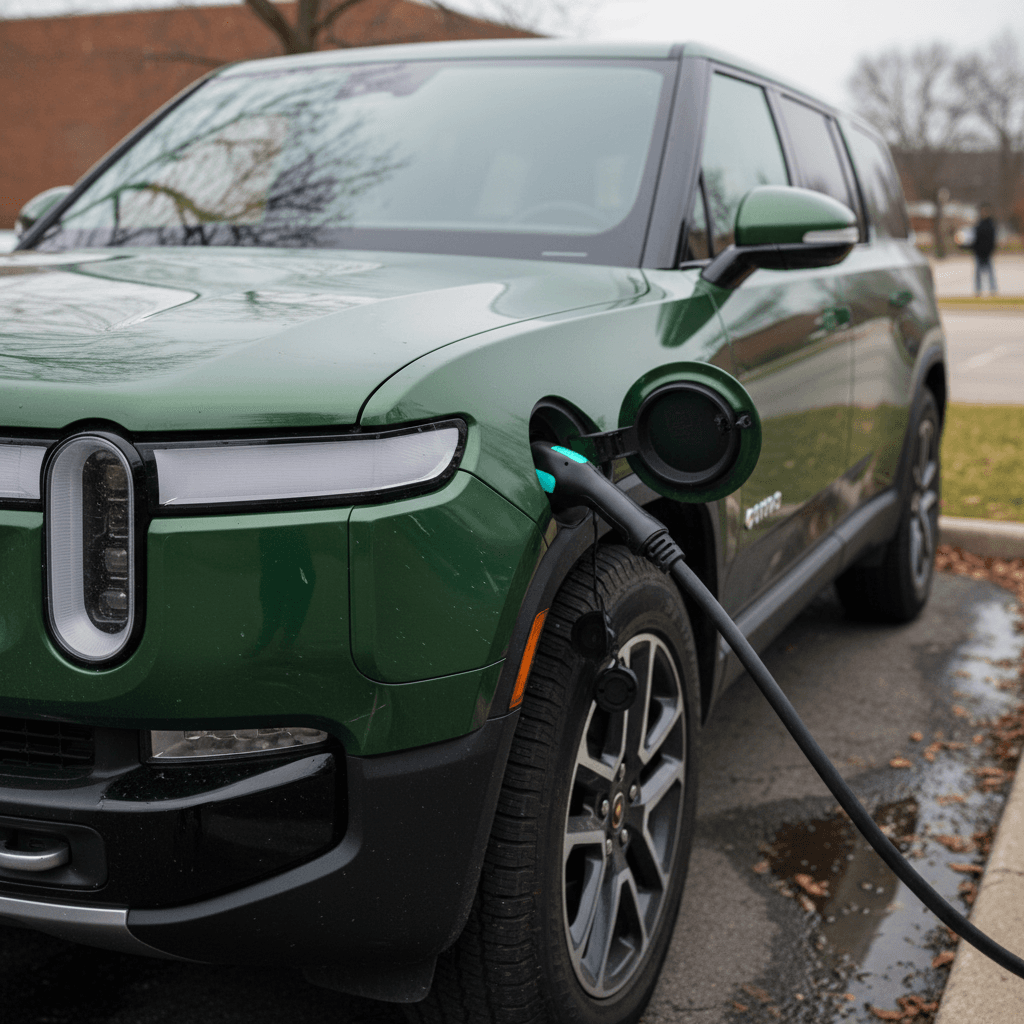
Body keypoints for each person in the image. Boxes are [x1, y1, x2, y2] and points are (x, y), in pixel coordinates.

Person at [971, 203, 997, 296]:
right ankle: (978, 290)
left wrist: (991, 249)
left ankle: (993, 289)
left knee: (990, 272)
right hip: (978, 252)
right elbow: (975, 238)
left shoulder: (991, 224)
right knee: (978, 273)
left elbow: (993, 239)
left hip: (988, 252)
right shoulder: (978, 224)